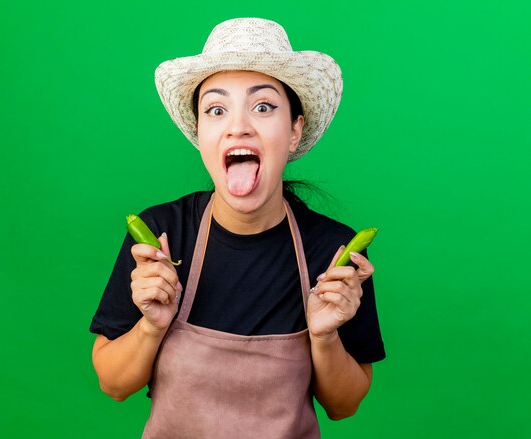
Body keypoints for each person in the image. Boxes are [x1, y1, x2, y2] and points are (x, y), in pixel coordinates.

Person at [90, 17, 385, 438]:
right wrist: (152, 325)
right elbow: (113, 384)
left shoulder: (336, 253)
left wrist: (324, 335)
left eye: (263, 107)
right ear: (201, 131)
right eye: (216, 109)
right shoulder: (159, 237)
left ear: (295, 130)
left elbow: (344, 405)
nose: (238, 126)